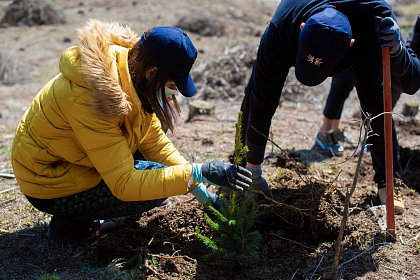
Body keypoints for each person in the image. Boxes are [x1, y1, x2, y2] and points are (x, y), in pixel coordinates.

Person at [11, 19, 252, 243]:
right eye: (170, 85)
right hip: (47, 181)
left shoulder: (128, 73)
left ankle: (78, 216)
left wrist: (200, 190)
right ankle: (73, 226)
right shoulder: (94, 98)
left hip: (73, 160)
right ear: (151, 73)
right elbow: (124, 184)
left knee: (159, 170)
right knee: (154, 187)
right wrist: (198, 172)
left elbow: (154, 142)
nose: (173, 94)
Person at [240, 1, 420, 214]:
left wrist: (398, 51)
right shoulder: (284, 24)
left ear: (350, 46)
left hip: (361, 32)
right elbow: (262, 101)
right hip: (292, 31)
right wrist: (254, 169)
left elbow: (411, 83)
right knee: (255, 95)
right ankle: (241, 167)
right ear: (302, 28)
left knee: (376, 104)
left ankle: (388, 182)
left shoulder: (376, 19)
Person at [314, 14, 420, 157]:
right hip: (351, 26)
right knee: (343, 80)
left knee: (350, 81)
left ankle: (336, 131)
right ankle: (325, 132)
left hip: (366, 29)